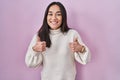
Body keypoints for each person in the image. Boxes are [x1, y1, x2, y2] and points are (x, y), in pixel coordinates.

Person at [25, 1, 90, 80]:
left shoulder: (72, 34)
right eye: (50, 14)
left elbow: (85, 60)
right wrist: (34, 50)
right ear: (46, 16)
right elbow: (30, 64)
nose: (54, 18)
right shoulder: (40, 36)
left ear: (63, 17)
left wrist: (81, 49)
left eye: (58, 14)